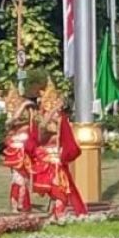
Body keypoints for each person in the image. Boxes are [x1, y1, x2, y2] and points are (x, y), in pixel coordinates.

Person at [31, 84, 87, 218]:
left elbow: (66, 136)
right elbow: (43, 128)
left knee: (62, 189)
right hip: (47, 159)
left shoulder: (61, 120)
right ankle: (57, 216)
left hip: (57, 158)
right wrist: (53, 111)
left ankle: (57, 216)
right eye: (49, 102)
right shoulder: (40, 119)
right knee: (57, 189)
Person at [1, 92, 35, 213]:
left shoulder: (29, 121)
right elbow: (12, 120)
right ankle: (16, 204)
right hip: (16, 152)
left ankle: (22, 204)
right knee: (18, 178)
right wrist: (24, 105)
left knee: (25, 179)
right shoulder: (11, 123)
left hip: (26, 150)